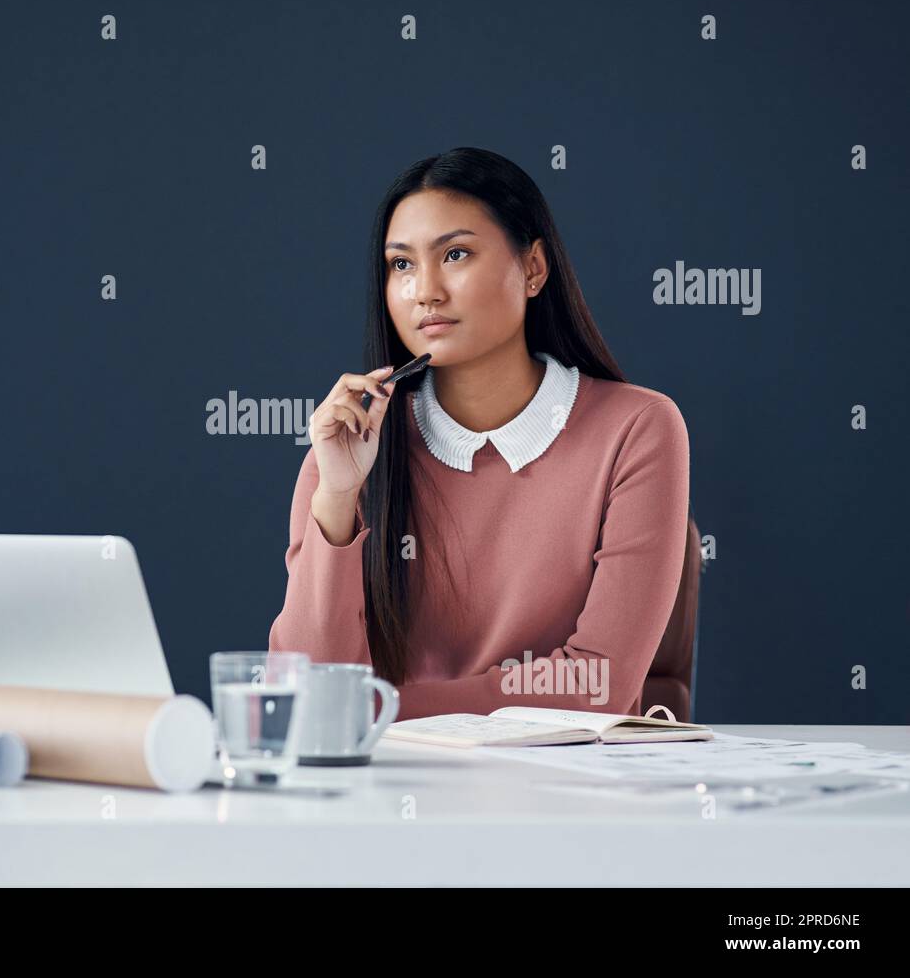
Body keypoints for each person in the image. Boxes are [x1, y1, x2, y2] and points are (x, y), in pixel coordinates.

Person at [268, 147, 692, 720]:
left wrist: (375, 710)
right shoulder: (348, 448)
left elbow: (599, 683)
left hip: (567, 791)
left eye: (456, 254)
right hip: (389, 794)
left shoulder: (637, 428)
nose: (425, 291)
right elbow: (309, 697)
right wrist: (339, 499)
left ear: (534, 269)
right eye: (401, 265)